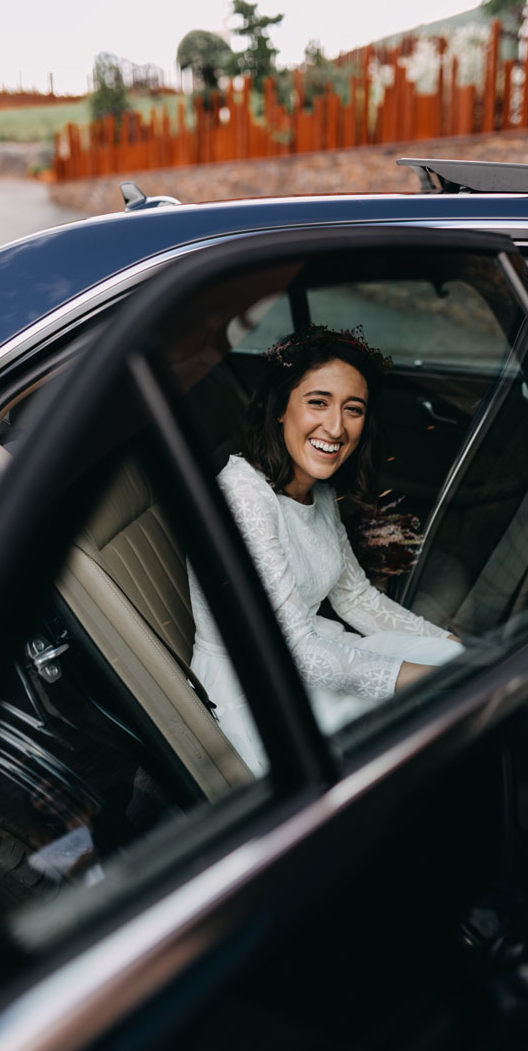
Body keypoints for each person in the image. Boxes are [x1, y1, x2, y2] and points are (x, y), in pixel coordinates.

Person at [188, 324, 461, 774]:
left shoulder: (314, 490)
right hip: (258, 691)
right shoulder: (242, 498)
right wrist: (431, 680)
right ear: (280, 409)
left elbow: (355, 597)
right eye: (318, 402)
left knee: (457, 666)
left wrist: (450, 645)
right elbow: (295, 653)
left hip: (316, 657)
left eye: (353, 409)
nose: (335, 427)